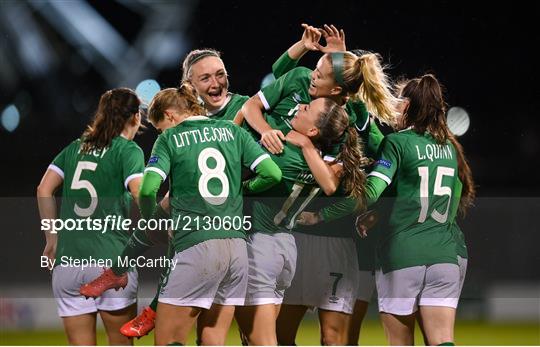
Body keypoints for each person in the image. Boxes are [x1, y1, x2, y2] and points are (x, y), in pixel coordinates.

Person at [240, 24, 392, 345]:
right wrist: (316, 54)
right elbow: (276, 78)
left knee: (313, 337)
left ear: (338, 92)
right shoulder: (300, 83)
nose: (313, 75)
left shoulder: (349, 117)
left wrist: (370, 200)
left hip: (301, 235)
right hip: (289, 235)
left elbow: (380, 155)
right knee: (267, 332)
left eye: (321, 73)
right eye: (316, 68)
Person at [303, 74, 475, 346]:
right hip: (445, 254)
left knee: (400, 341)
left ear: (407, 105)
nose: (392, 106)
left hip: (403, 254)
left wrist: (320, 215)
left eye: (397, 100)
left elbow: (369, 194)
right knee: (443, 340)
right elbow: (441, 202)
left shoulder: (398, 143)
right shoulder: (448, 148)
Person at [136, 85, 282, 346]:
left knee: (168, 341)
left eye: (159, 127)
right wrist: (242, 189)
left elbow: (147, 191)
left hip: (196, 245)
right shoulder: (234, 132)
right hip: (236, 250)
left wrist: (152, 223)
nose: (160, 133)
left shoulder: (170, 139)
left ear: (169, 115)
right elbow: (273, 174)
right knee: (212, 337)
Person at [234, 95, 367, 346]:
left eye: (307, 109)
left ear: (313, 129)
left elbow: (235, 132)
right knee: (258, 334)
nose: (301, 106)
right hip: (287, 247)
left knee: (260, 340)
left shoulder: (281, 151)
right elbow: (331, 185)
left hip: (262, 243)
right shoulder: (321, 162)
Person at [37, 88, 144, 345]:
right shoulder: (128, 151)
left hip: (68, 265)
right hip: (111, 262)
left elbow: (43, 189)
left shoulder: (75, 148)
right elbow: (141, 193)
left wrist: (52, 238)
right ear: (136, 117)